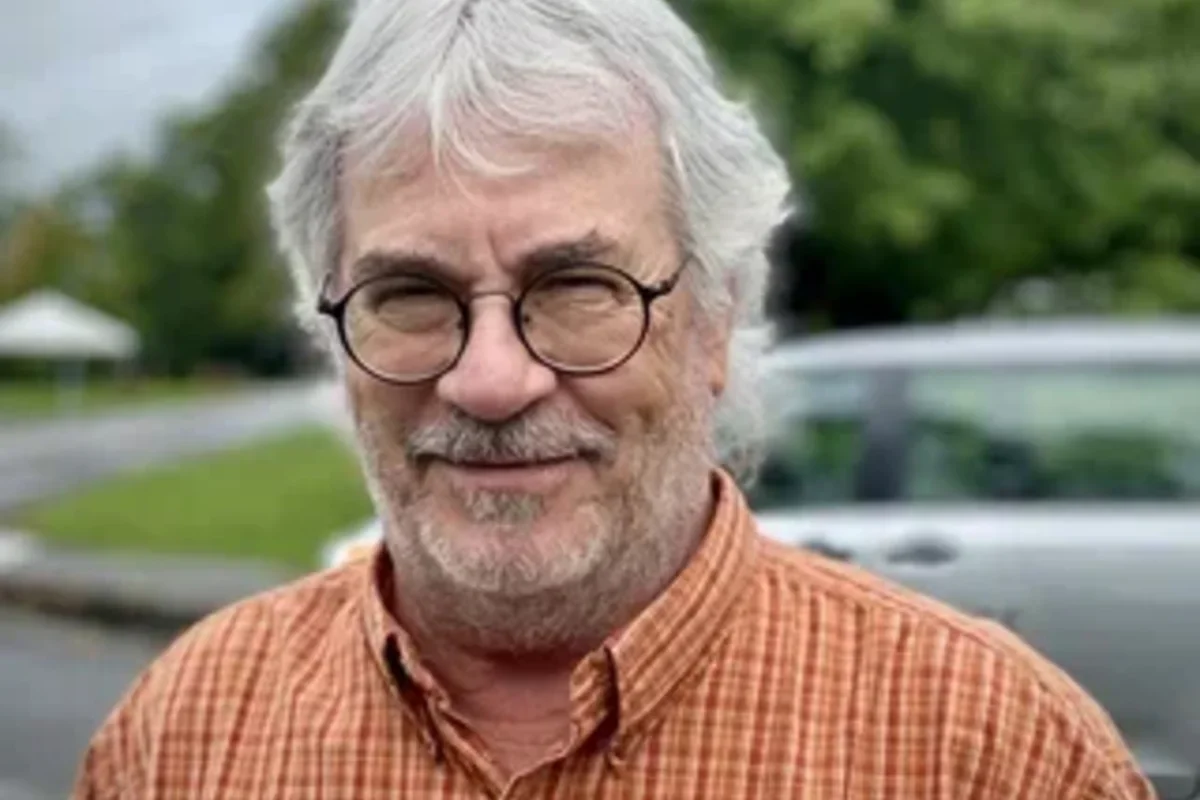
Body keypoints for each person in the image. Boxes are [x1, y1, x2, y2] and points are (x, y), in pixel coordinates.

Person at [74, 0, 1153, 797]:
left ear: (715, 318)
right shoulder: (188, 733)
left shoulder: (989, 751)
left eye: (578, 287)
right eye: (411, 294)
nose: (490, 379)